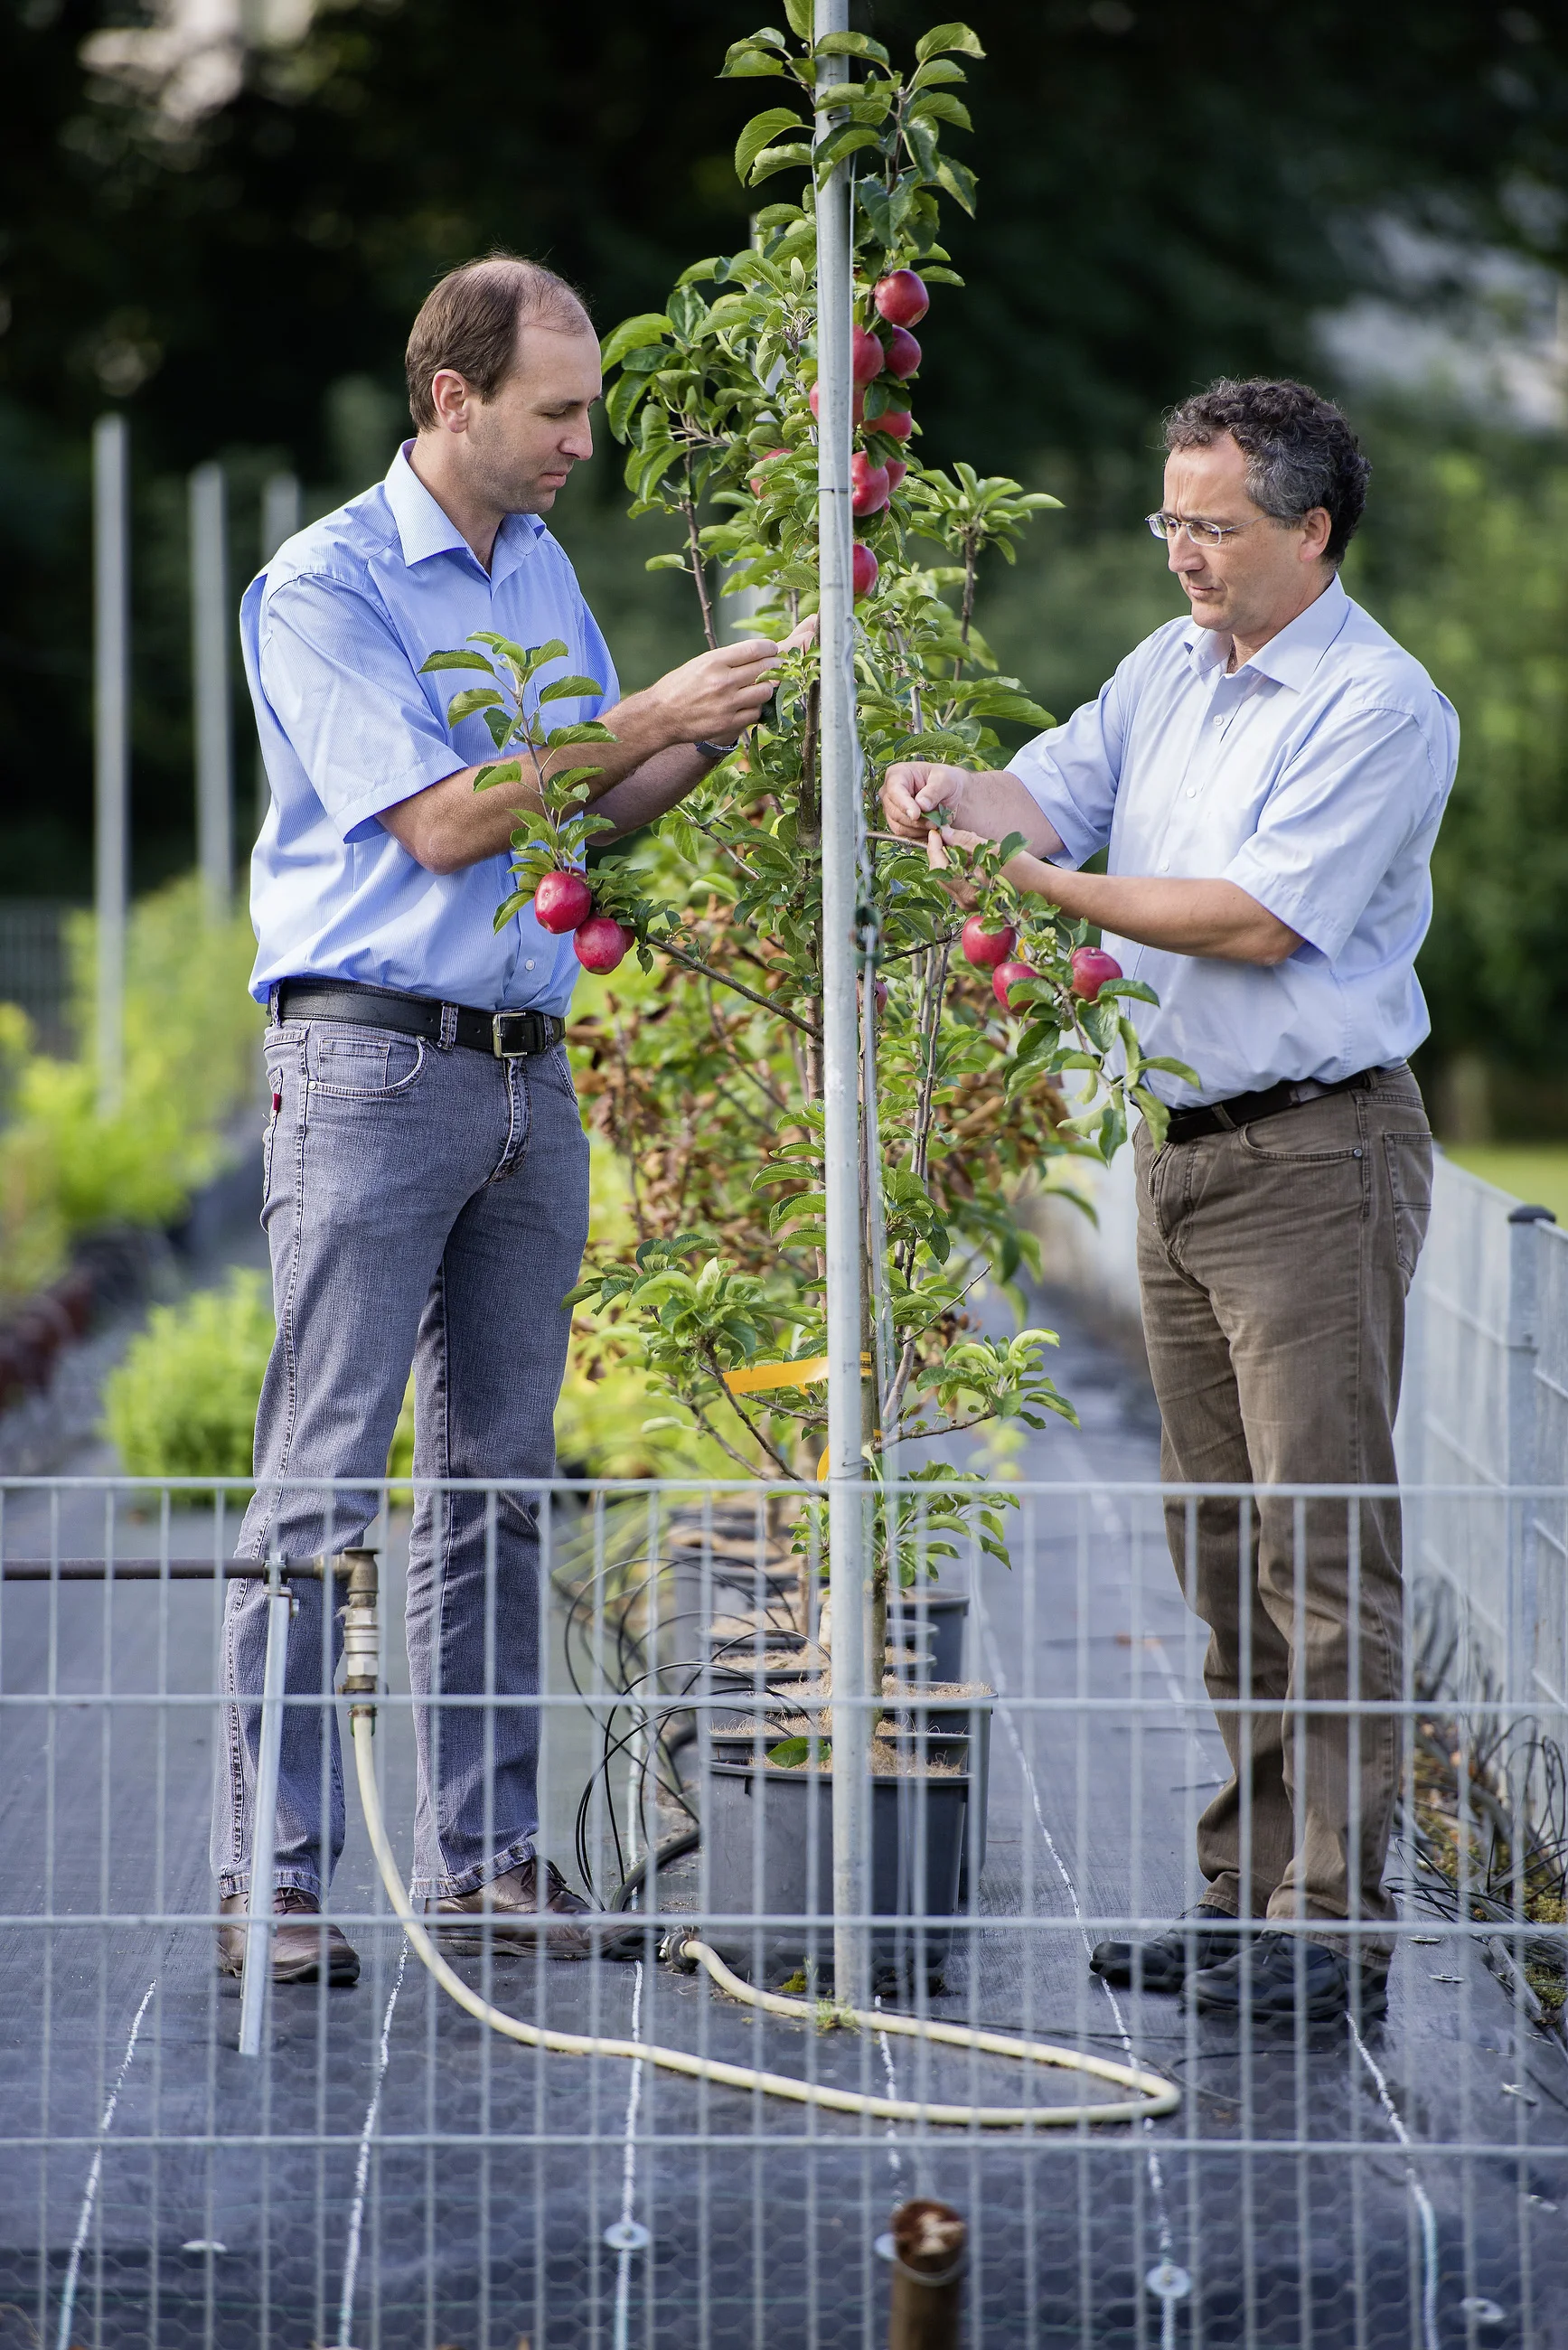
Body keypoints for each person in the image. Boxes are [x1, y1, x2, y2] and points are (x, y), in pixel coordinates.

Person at [216, 254, 785, 1984]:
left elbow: (584, 818)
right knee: (321, 1481)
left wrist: (725, 726)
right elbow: (448, 825)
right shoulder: (322, 588)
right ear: (453, 398)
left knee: (499, 1482)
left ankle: (482, 1861)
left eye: (590, 411)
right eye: (558, 411)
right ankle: (273, 1880)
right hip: (372, 1067)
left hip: (530, 1067)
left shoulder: (537, 568)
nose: (582, 444)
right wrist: (643, 712)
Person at [882, 378, 1457, 2024]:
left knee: (1319, 1550)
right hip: (1181, 1150)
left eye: (1212, 526)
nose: (1181, 554)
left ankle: (1329, 1930)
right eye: (1169, 520)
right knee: (1217, 1548)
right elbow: (1042, 793)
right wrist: (946, 791)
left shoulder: (1375, 704)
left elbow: (1257, 918)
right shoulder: (1168, 670)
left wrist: (1034, 886)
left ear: (1311, 531)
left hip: (1313, 1158)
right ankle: (1242, 1892)